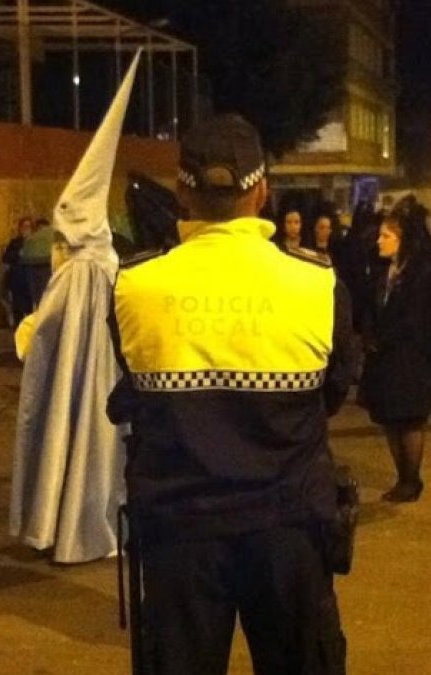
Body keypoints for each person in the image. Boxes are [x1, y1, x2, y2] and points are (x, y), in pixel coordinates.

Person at [109, 114, 357, 674]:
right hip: (289, 528)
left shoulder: (137, 283)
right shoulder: (317, 282)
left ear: (181, 192)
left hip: (180, 534)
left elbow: (132, 391)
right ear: (263, 190)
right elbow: (335, 388)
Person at [9, 54, 139, 564]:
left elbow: (45, 333)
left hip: (81, 386)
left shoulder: (79, 272)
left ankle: (63, 523)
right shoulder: (110, 267)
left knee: (67, 438)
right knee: (100, 450)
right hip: (108, 387)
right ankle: (96, 523)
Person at [359, 202, 431, 501]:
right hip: (384, 359)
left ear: (402, 240)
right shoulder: (383, 271)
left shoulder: (419, 275)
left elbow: (417, 319)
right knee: (389, 419)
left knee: (408, 419)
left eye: (386, 236)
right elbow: (370, 307)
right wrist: (369, 334)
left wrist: (385, 337)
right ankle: (401, 475)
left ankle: (411, 478)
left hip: (409, 359)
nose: (379, 241)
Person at [0, 216, 35, 328]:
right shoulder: (15, 243)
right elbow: (6, 258)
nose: (25, 229)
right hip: (17, 281)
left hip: (30, 281)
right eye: (23, 227)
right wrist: (18, 254)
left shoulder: (35, 243)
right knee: (17, 310)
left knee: (30, 311)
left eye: (28, 227)